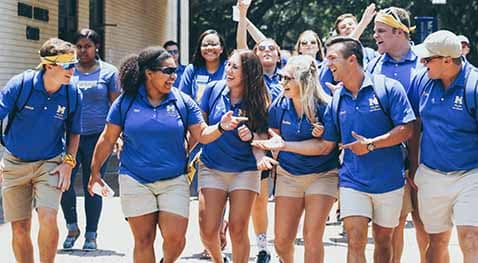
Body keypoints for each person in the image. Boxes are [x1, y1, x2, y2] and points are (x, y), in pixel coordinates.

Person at [87, 46, 242, 263]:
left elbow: (202, 134)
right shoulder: (127, 101)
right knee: (143, 239)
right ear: (149, 73)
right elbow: (107, 138)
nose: (173, 76)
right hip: (135, 178)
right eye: (167, 71)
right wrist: (95, 172)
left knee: (176, 239)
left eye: (175, 70)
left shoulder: (183, 101)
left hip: (174, 179)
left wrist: (221, 127)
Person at [322, 36, 415, 263]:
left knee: (383, 240)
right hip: (353, 181)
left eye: (332, 58)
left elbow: (407, 129)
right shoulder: (336, 100)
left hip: (389, 181)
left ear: (352, 60)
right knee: (355, 239)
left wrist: (371, 144)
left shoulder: (388, 88)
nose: (328, 64)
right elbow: (327, 144)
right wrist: (283, 145)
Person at [0, 38, 82, 263]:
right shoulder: (21, 85)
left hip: (50, 163)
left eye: (74, 64)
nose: (73, 70)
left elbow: (74, 132)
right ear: (49, 65)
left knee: (48, 218)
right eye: (68, 65)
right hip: (15, 163)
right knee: (19, 228)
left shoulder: (72, 93)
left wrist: (68, 162)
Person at [252, 55, 339, 263]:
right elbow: (272, 129)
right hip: (288, 175)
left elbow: (325, 148)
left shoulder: (325, 106)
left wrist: (284, 145)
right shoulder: (280, 104)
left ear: (304, 80)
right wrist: (274, 141)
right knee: (281, 242)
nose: (282, 82)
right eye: (281, 77)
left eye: (287, 78)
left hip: (322, 175)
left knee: (312, 236)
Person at [198, 50, 274, 263]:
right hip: (212, 166)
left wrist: (252, 139)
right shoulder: (213, 90)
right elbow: (199, 126)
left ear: (248, 73)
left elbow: (261, 134)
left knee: (238, 229)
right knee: (207, 229)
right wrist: (219, 127)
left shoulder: (259, 98)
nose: (227, 70)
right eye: (228, 65)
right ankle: (218, 260)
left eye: (234, 67)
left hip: (245, 169)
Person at [408, 30, 478, 263]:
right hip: (432, 173)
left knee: (470, 237)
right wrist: (413, 166)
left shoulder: (474, 85)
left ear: (447, 60)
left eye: (428, 59)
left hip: (471, 174)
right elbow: (413, 125)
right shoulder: (421, 80)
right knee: (436, 240)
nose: (422, 62)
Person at [365, 7, 428, 262]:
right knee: (394, 223)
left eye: (380, 31)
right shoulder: (374, 66)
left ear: (399, 32)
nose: (375, 36)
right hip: (388, 153)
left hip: (425, 153)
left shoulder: (425, 61)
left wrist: (416, 163)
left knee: (425, 223)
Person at [60, 28, 120, 251]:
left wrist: (117, 137)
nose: (83, 51)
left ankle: (91, 234)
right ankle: (72, 226)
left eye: (88, 46)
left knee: (92, 185)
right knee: (63, 184)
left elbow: (116, 107)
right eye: (79, 46)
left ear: (97, 48)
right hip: (69, 138)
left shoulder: (109, 73)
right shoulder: (68, 70)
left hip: (98, 138)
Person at [236, 1, 282, 261]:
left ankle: (263, 247)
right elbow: (242, 47)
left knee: (261, 200)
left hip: (271, 143)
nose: (266, 51)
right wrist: (243, 16)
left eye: (271, 49)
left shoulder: (286, 77)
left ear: (278, 55)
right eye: (261, 47)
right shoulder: (250, 75)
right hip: (245, 142)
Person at [179, 29, 227, 103]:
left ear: (221, 49)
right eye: (205, 45)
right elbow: (183, 98)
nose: (209, 48)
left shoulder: (228, 68)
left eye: (214, 44)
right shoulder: (191, 69)